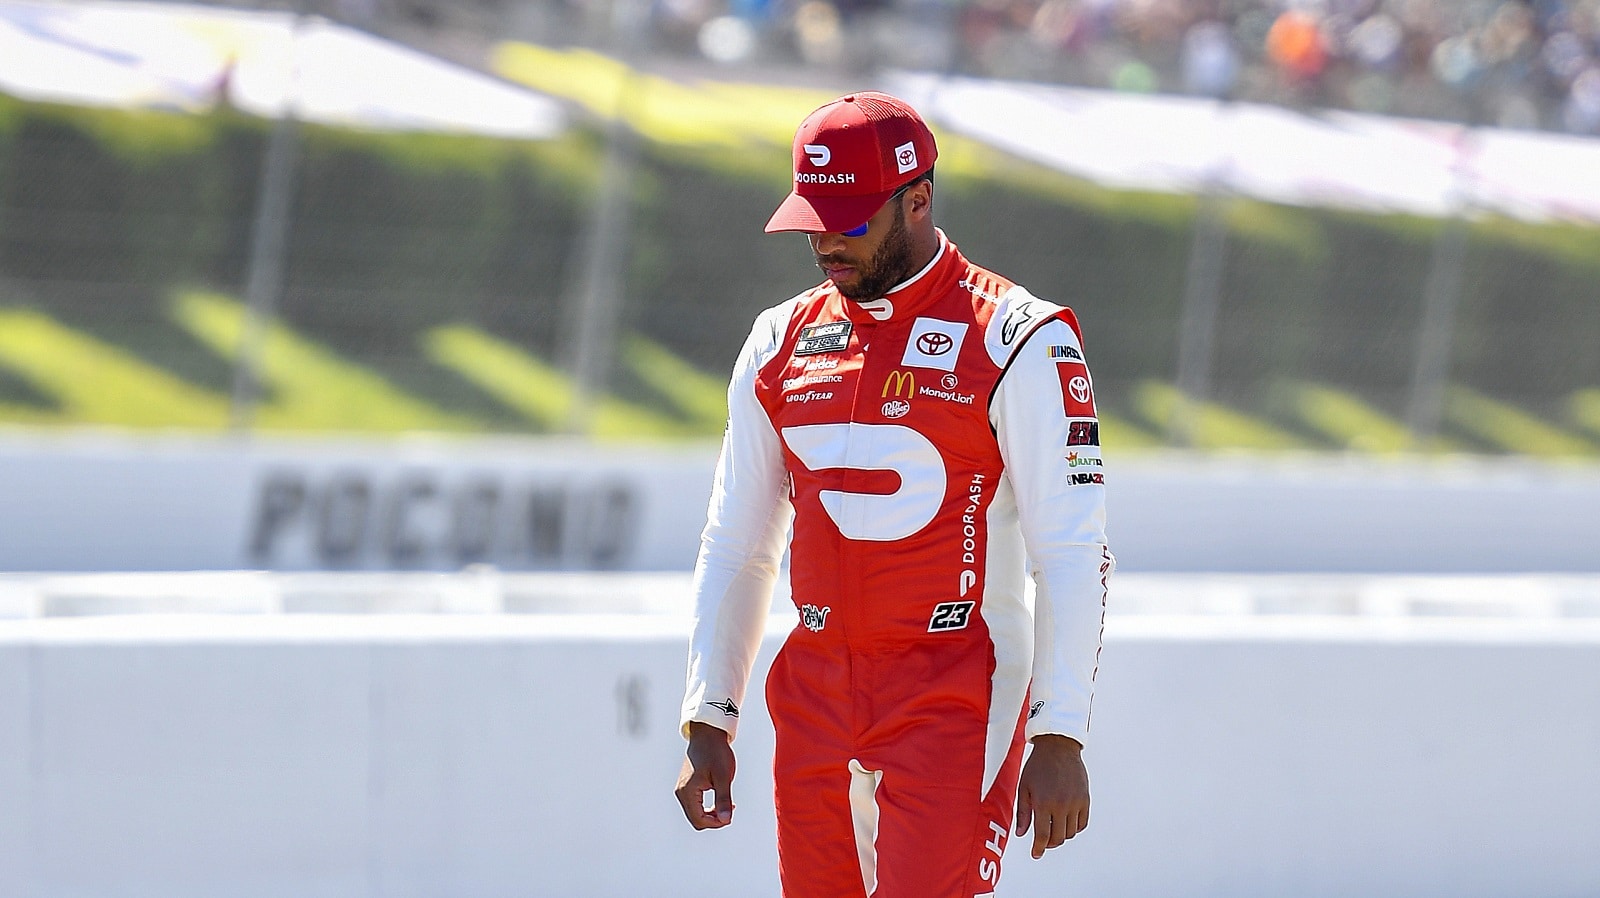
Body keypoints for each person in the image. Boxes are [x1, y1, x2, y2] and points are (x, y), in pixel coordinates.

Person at [673, 90, 1114, 897]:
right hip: (815, 692)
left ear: (918, 199)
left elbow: (1073, 549)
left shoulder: (1021, 336)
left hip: (956, 691)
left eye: (848, 218)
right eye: (812, 216)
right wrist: (710, 710)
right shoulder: (778, 339)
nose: (824, 241)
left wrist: (1061, 732)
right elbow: (738, 540)